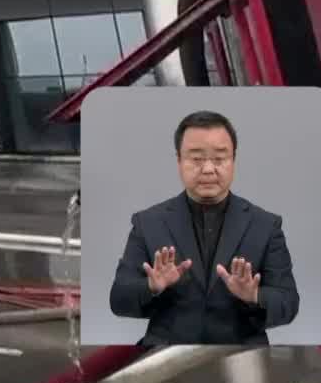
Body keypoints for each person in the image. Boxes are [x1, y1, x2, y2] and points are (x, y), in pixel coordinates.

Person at [109, 110, 299, 345]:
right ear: (179, 161)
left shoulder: (266, 225)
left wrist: (254, 295)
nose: (208, 169)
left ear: (233, 161)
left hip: (243, 360)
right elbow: (118, 300)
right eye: (196, 159)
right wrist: (151, 286)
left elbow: (289, 302)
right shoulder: (147, 223)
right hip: (166, 359)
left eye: (219, 158)